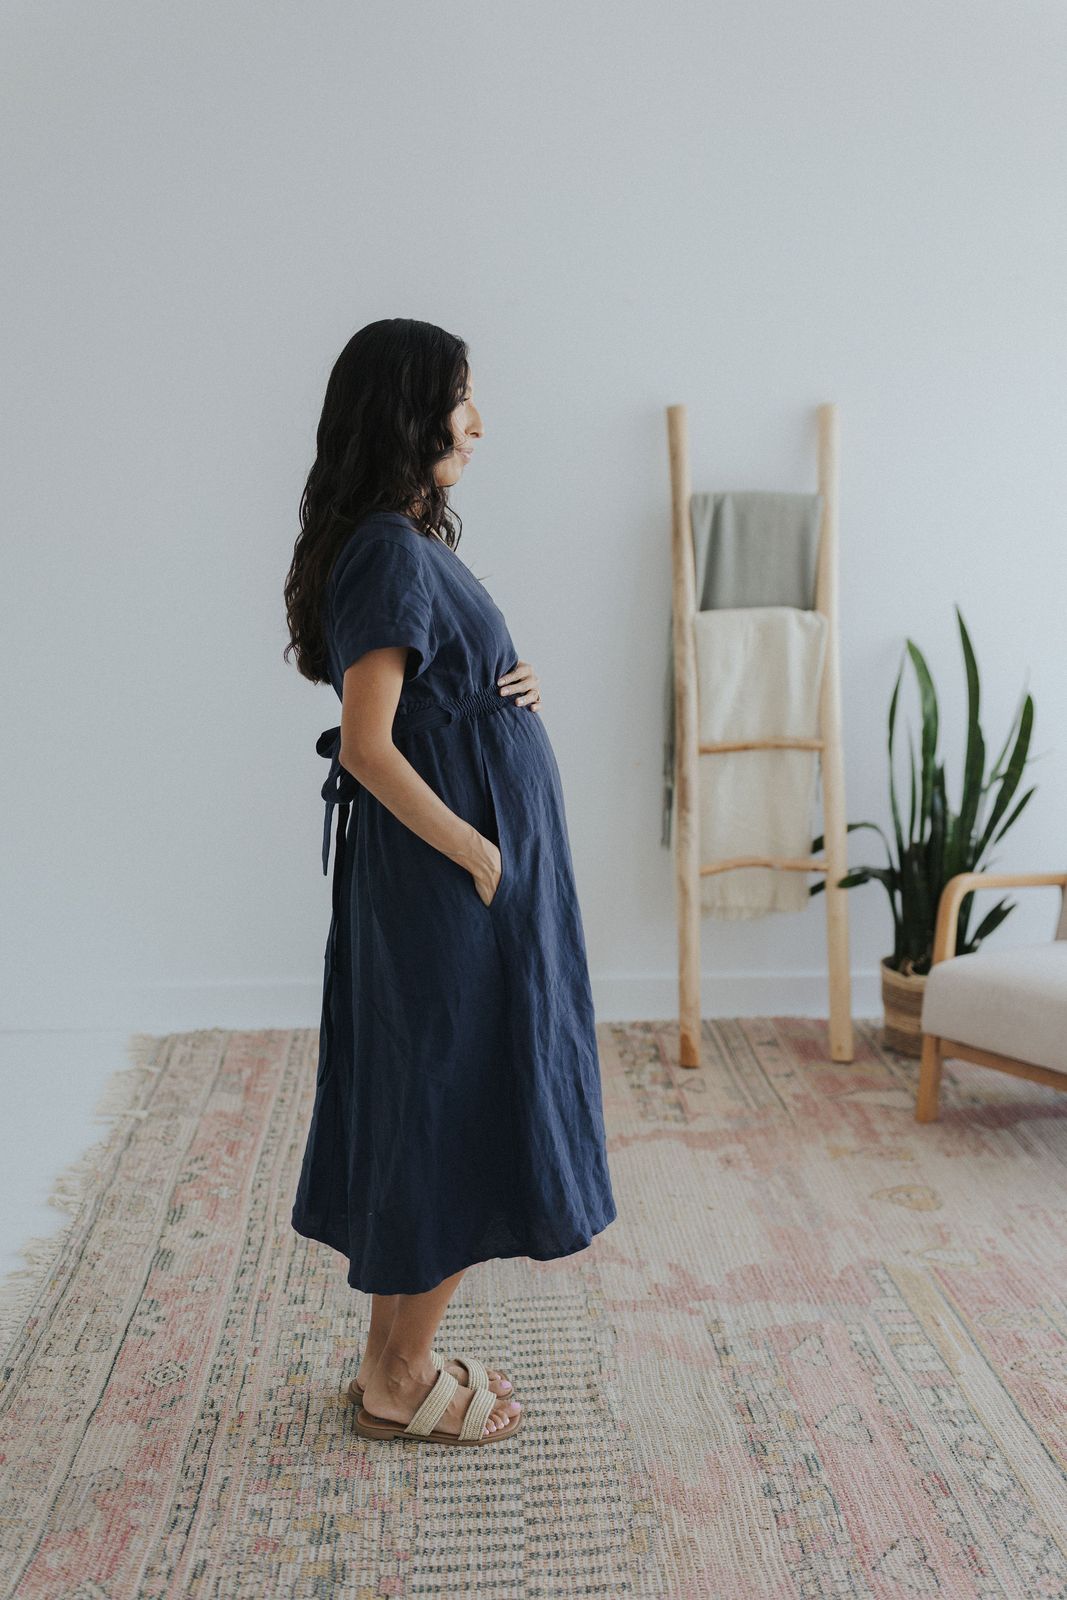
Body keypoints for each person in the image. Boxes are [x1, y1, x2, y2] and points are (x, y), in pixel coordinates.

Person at [283, 318, 617, 1447]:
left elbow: (426, 691)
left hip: (457, 875)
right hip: (449, 877)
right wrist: (478, 853)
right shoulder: (386, 548)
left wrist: (503, 684)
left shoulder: (399, 540)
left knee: (442, 1095)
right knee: (456, 1099)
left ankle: (390, 1359)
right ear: (405, 411)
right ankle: (400, 1374)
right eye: (458, 399)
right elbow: (368, 743)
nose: (476, 423)